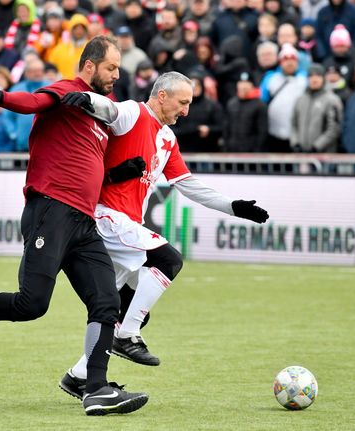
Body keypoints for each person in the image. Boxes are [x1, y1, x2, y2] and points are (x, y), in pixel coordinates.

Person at [0, 36, 149, 416]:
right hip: (51, 212)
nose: (116, 74)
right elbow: (34, 102)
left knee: (106, 301)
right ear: (89, 66)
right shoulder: (66, 90)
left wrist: (119, 172)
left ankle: (96, 388)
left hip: (83, 221)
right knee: (31, 305)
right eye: (110, 67)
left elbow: (89, 170)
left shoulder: (97, 115)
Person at [54, 72, 268, 395]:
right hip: (107, 217)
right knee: (167, 260)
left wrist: (233, 207)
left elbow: (188, 184)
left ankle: (80, 375)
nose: (186, 112)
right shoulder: (134, 113)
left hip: (124, 227)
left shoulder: (167, 138)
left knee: (116, 307)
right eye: (183, 103)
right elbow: (110, 110)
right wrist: (87, 99)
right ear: (162, 96)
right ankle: (127, 336)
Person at [290, 63, 343, 153]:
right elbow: (294, 124)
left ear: (323, 78)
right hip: (302, 154)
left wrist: (316, 146)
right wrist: (295, 143)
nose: (314, 79)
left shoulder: (332, 100)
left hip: (324, 154)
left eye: (318, 76)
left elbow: (334, 128)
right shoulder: (300, 99)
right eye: (311, 76)